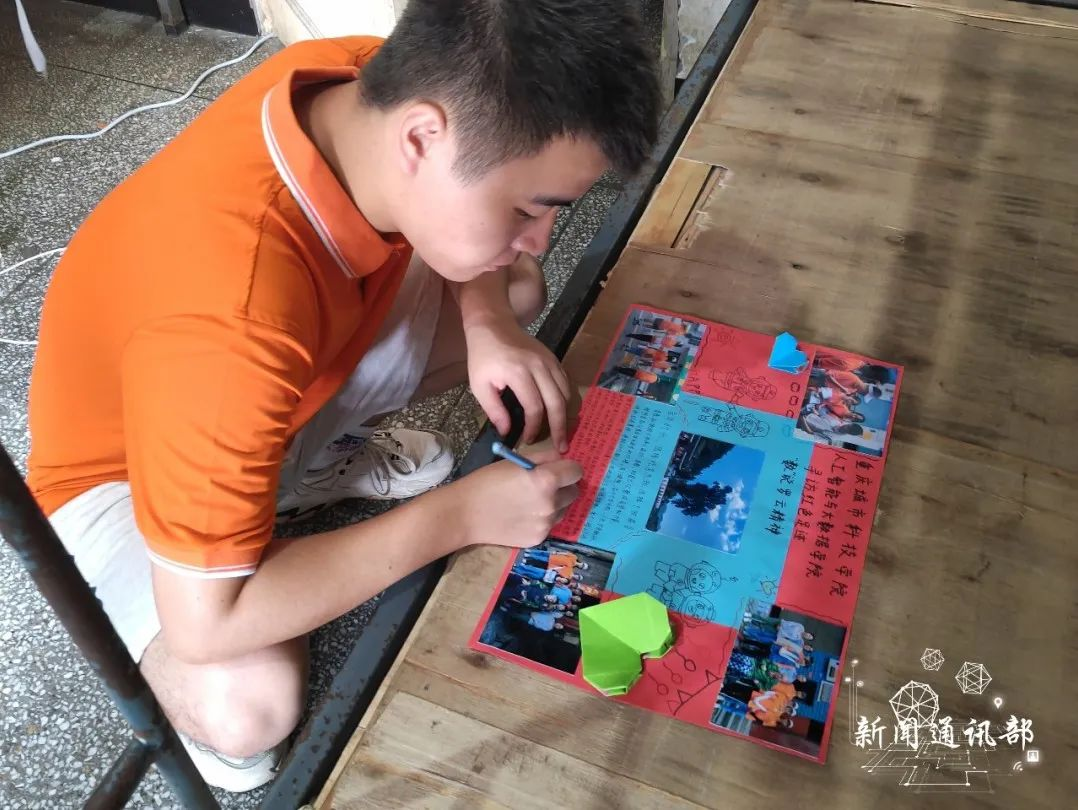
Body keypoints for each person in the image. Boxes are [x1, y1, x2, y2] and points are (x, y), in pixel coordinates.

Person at [25, 0, 660, 792]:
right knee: (250, 708)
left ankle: (291, 474)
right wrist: (462, 515)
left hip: (247, 393)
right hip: (115, 481)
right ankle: (260, 506)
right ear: (423, 138)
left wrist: (490, 321)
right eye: (529, 208)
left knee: (515, 285)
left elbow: (495, 273)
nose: (540, 235)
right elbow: (208, 624)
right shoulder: (231, 321)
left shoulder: (364, 79)